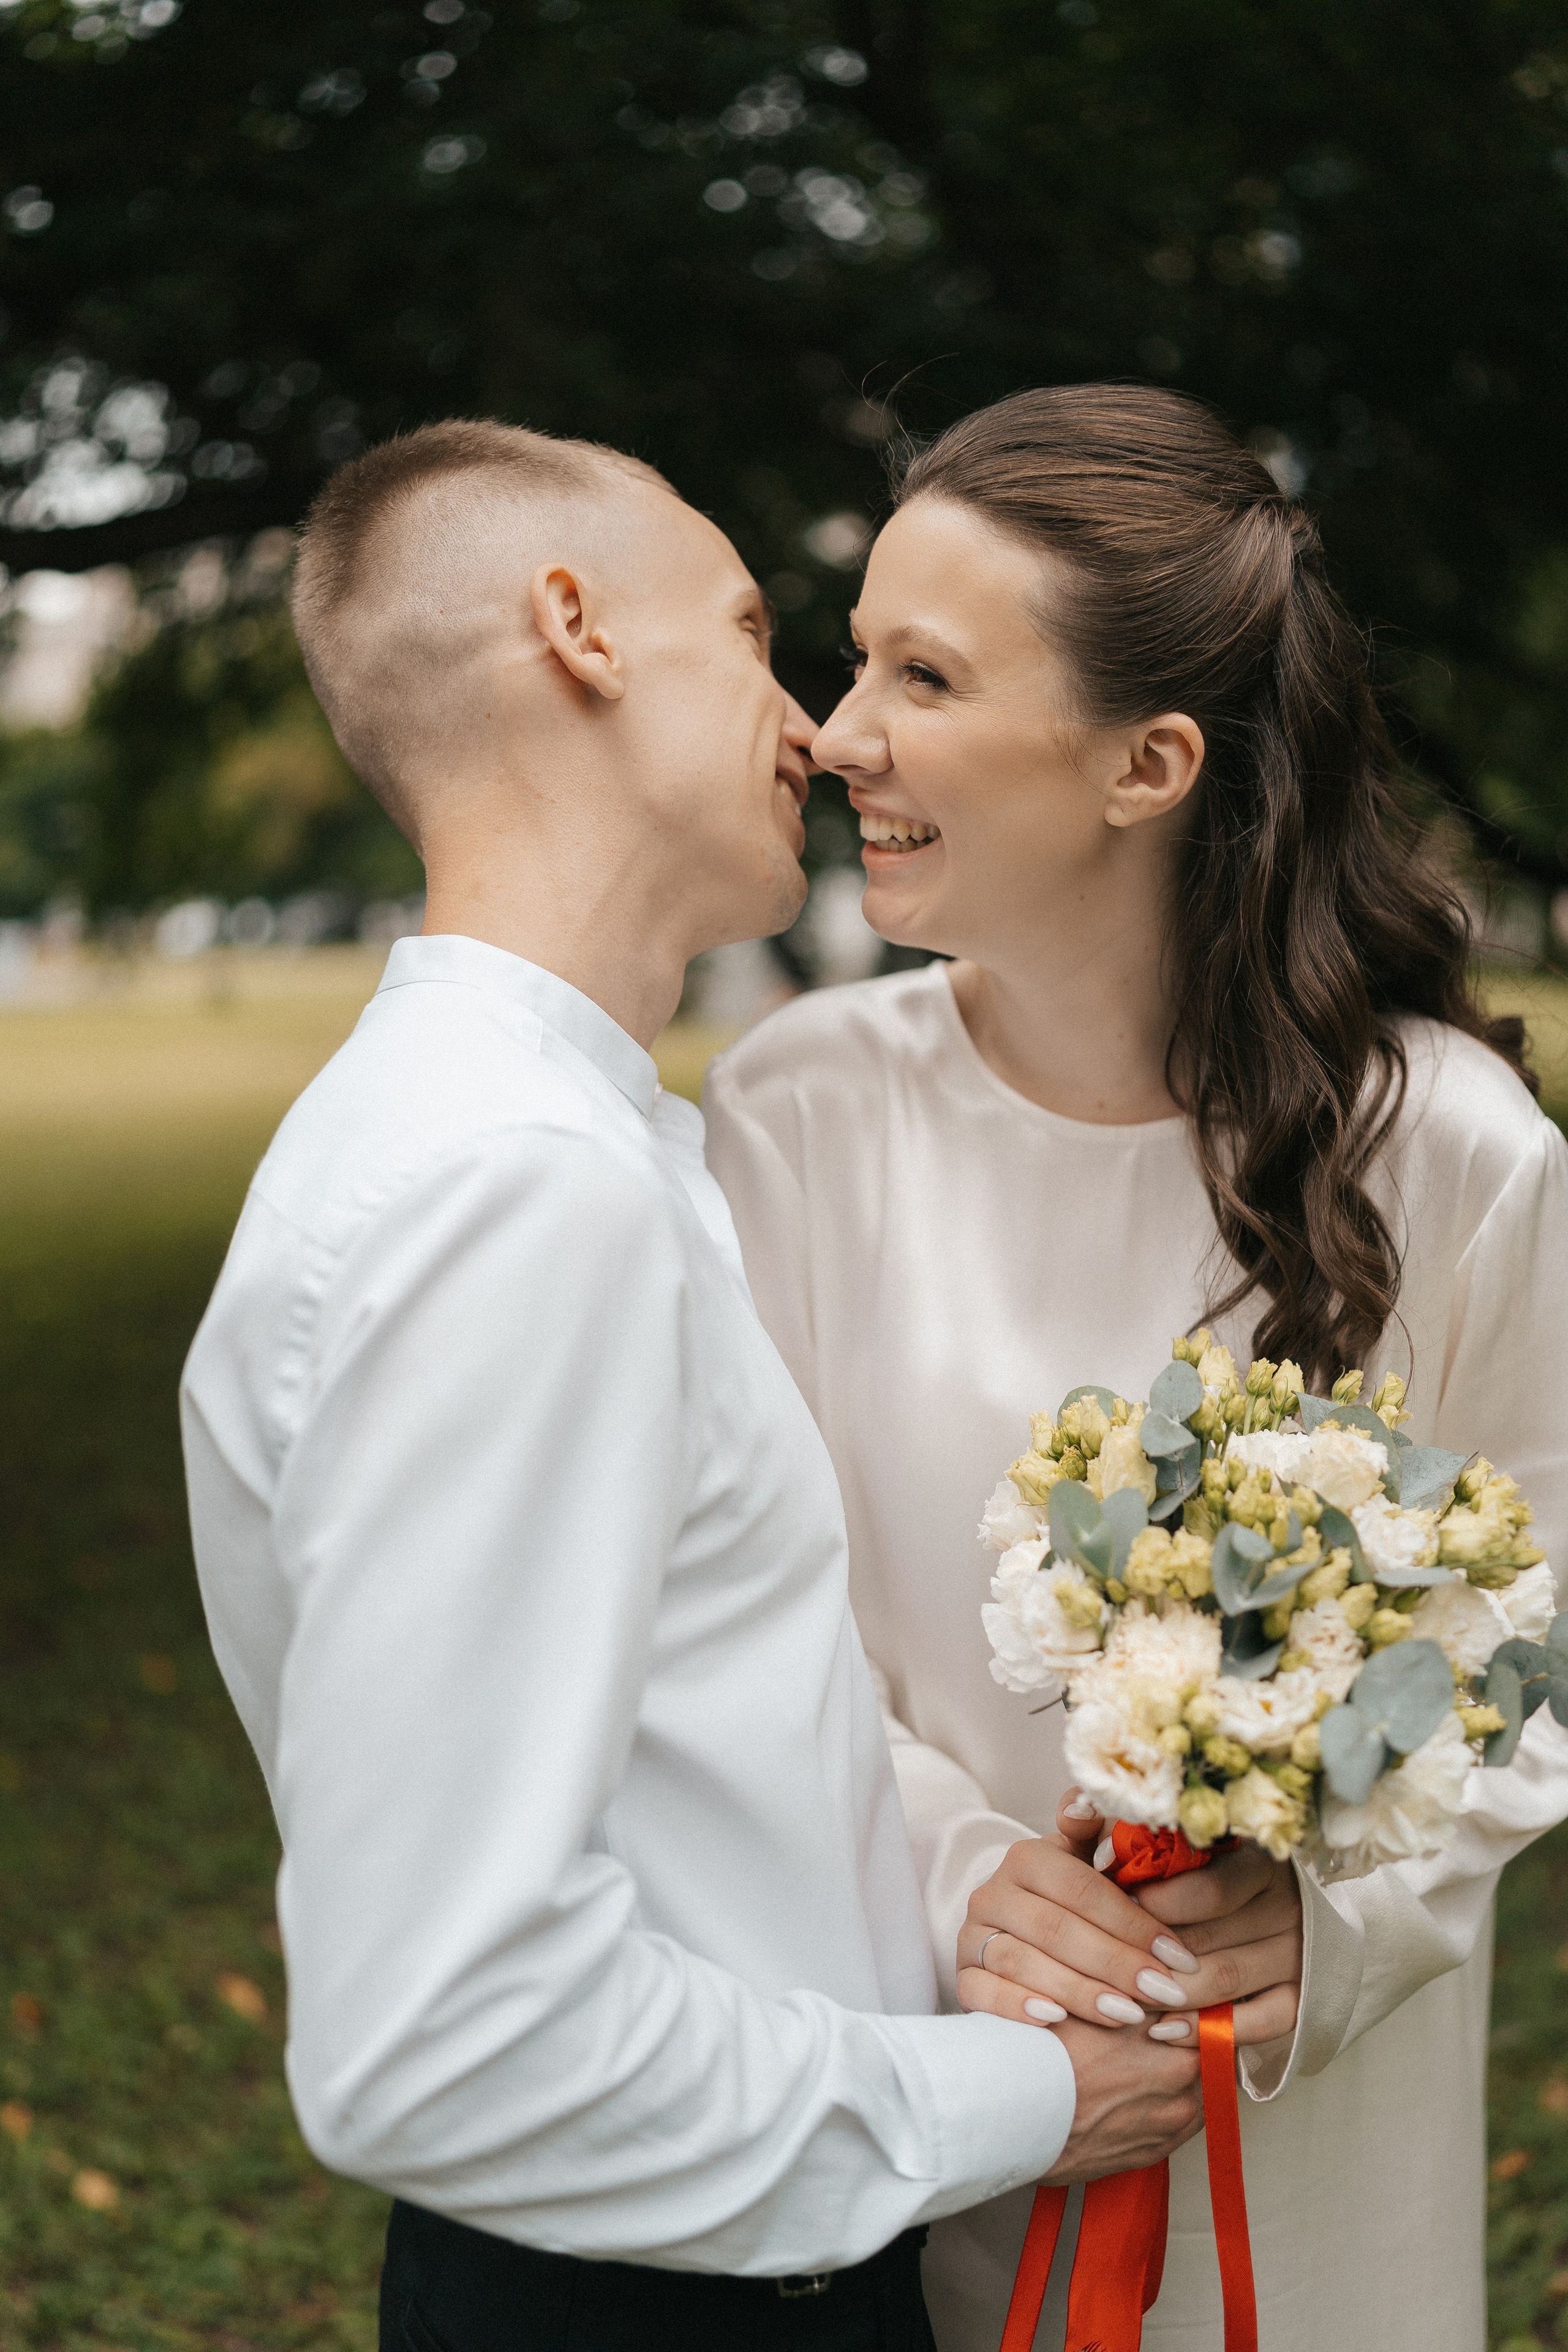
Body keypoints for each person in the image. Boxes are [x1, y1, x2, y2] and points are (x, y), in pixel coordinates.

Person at [179, 418, 1208, 2352]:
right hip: (669, 2301)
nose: (813, 730)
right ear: (576, 631)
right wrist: (1031, 2102)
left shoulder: (557, 1144)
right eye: (753, 635)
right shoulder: (514, 1192)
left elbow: (704, 1763)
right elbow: (447, 2042)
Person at [704, 383, 1568, 2351]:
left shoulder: (1454, 1157)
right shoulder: (794, 1112)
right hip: (927, 2072)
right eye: (856, 665)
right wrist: (958, 1874)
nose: (842, 738)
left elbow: (1543, 1648)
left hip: (1305, 2133)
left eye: (922, 674)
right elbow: (741, 1624)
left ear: (1150, 761)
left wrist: (1335, 1921)